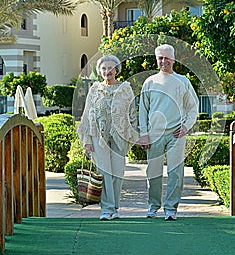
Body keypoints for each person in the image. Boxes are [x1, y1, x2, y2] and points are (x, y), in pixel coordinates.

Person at [138, 44, 199, 221]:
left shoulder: (183, 81)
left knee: (175, 172)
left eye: (166, 58)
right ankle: (153, 206)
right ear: (157, 60)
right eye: (160, 58)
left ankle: (171, 208)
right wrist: (144, 134)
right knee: (153, 172)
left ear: (173, 59)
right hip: (154, 134)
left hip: (176, 134)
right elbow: (143, 110)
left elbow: (192, 108)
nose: (163, 61)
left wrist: (186, 127)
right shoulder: (149, 82)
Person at [77, 54, 138, 220]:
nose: (107, 71)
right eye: (103, 68)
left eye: (110, 68)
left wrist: (133, 135)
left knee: (118, 173)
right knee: (104, 173)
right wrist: (87, 141)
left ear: (116, 70)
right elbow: (87, 114)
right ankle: (107, 209)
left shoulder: (126, 88)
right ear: (99, 71)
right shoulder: (95, 89)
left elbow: (132, 113)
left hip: (120, 136)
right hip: (99, 136)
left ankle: (115, 207)